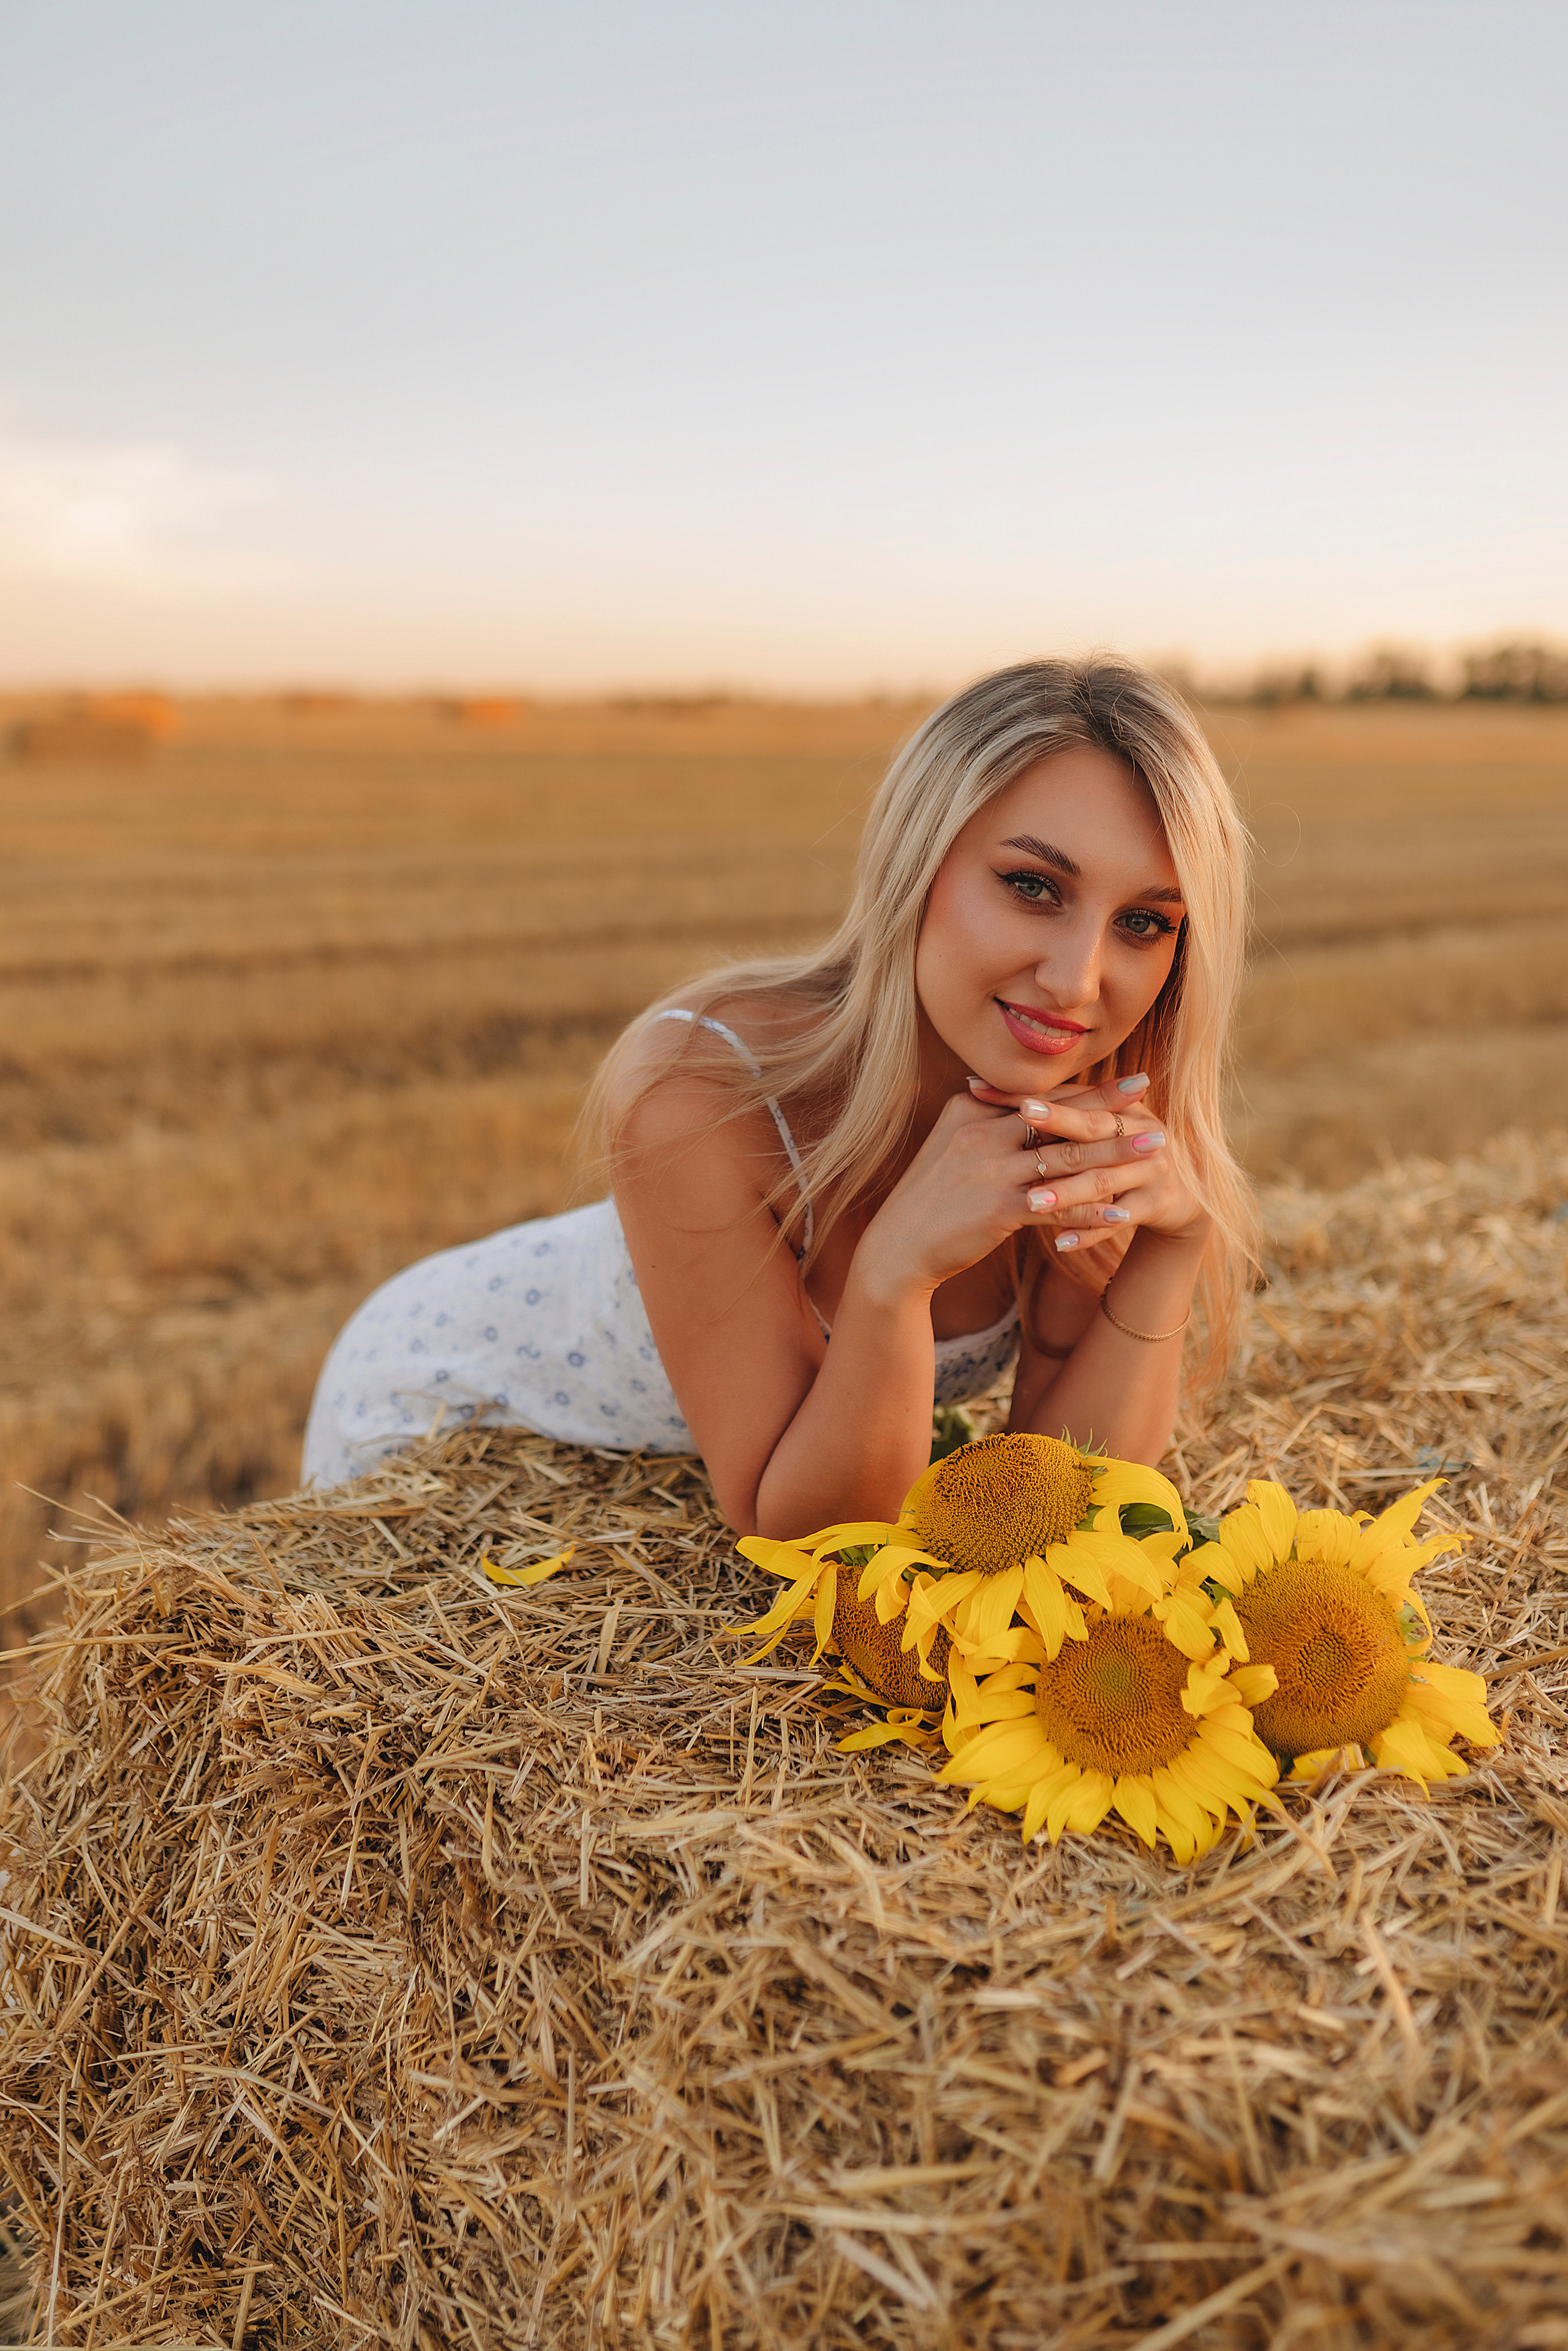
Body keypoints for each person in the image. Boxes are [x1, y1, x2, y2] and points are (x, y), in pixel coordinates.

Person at [301, 657, 1257, 1533]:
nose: (1079, 979)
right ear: (915, 866)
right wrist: (896, 1273)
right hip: (445, 1408)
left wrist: (1172, 1249)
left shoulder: (1081, 1114)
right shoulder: (701, 1089)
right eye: (1033, 886)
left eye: (1143, 922)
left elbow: (1064, 1493)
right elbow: (797, 1528)